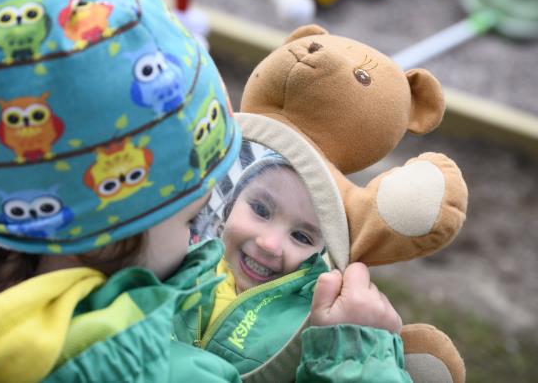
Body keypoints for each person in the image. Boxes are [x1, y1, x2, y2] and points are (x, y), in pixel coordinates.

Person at [0, 0, 407, 381]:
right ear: (113, 232)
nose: (201, 238)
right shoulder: (164, 370)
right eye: (191, 220)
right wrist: (357, 360)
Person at [174, 153, 409, 381]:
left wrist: (352, 353)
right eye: (261, 210)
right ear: (231, 204)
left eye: (301, 236)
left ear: (320, 255)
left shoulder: (315, 326)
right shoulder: (178, 263)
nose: (269, 244)